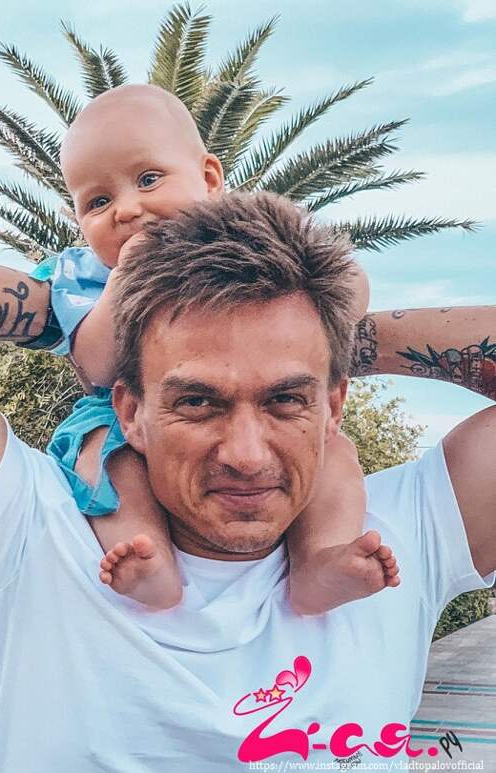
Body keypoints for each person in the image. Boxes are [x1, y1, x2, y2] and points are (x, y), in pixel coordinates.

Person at [0, 191, 493, 771]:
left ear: (334, 407)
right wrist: (78, 320)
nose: (247, 456)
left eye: (286, 398)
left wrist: (332, 334)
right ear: (129, 412)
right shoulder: (27, 533)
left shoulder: (400, 537)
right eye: (197, 403)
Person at [31, 83, 397, 615]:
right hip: (115, 412)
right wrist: (128, 277)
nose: (127, 210)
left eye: (148, 179)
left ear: (208, 179)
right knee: (105, 459)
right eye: (98, 202)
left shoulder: (252, 237)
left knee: (335, 452)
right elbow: (97, 364)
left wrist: (299, 285)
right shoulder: (84, 276)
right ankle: (147, 556)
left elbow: (353, 289)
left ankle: (320, 559)